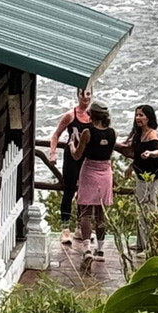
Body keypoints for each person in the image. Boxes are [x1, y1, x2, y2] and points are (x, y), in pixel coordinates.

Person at [70, 100, 116, 259]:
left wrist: (71, 145)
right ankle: (101, 249)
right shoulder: (113, 133)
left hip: (89, 171)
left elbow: (77, 155)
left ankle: (87, 249)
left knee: (86, 212)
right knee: (101, 213)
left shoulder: (87, 132)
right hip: (106, 172)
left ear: (91, 115)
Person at [47, 87, 93, 244]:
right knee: (69, 191)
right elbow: (56, 134)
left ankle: (80, 227)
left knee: (84, 193)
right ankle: (65, 229)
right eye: (82, 94)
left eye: (88, 94)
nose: (85, 97)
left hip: (87, 158)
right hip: (72, 158)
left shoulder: (93, 116)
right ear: (78, 95)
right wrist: (52, 153)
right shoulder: (70, 115)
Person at [118, 104, 158, 252]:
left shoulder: (152, 134)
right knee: (140, 209)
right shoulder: (137, 135)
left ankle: (151, 244)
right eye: (137, 115)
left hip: (152, 178)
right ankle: (141, 244)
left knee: (150, 208)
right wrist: (130, 167)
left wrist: (150, 153)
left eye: (141, 115)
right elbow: (135, 154)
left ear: (148, 118)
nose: (138, 118)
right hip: (140, 176)